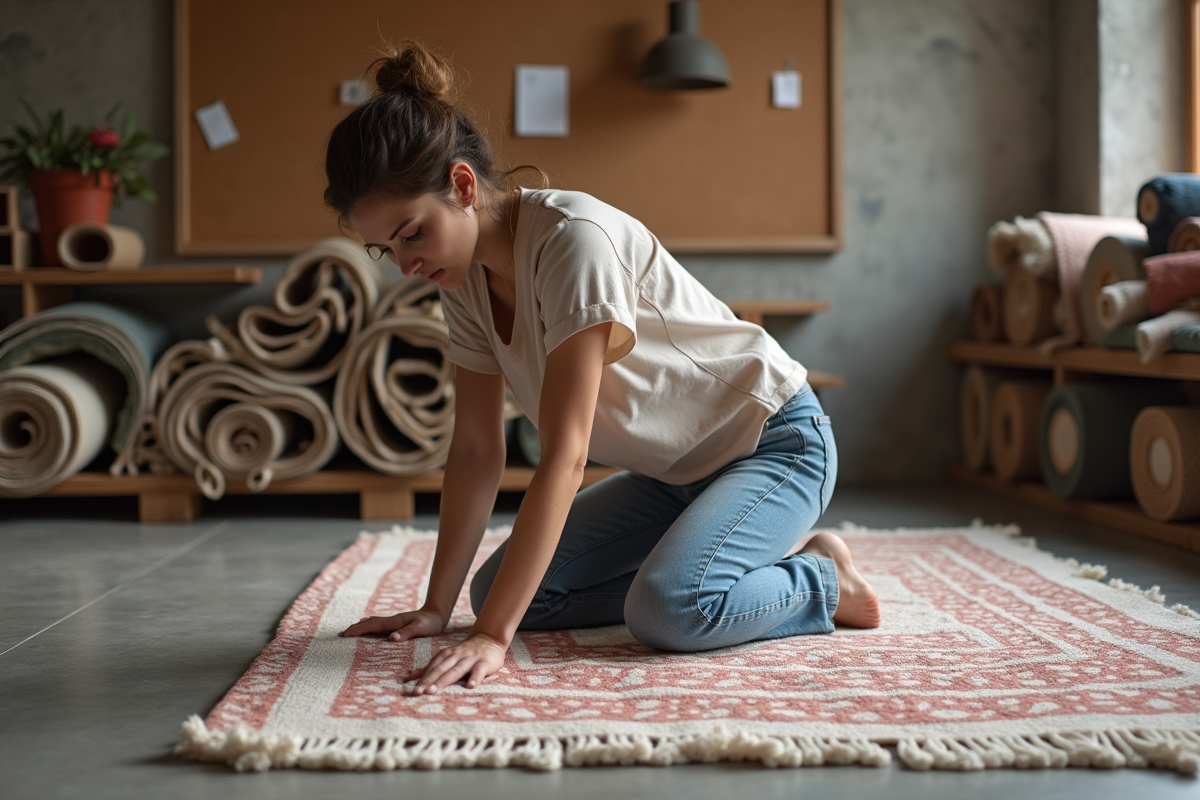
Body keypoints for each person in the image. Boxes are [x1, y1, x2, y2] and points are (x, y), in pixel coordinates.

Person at [330, 41, 880, 697]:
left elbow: (567, 453)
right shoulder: (463, 284)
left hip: (776, 444)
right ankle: (703, 560)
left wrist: (492, 638)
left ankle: (822, 577)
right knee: (505, 593)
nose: (405, 263)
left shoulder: (573, 241)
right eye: (383, 249)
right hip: (673, 475)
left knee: (670, 609)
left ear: (463, 185)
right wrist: (438, 609)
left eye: (411, 232)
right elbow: (476, 451)